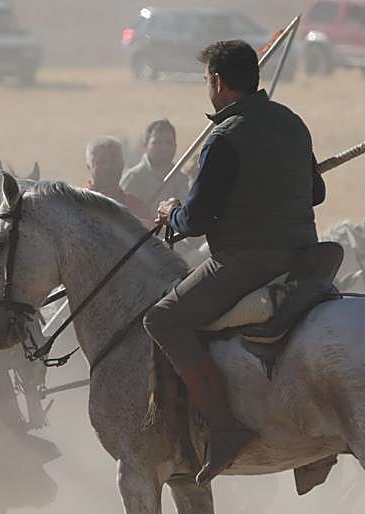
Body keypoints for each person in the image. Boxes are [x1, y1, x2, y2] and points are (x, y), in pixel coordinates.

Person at [143, 40, 326, 483]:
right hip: (305, 255)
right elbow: (317, 193)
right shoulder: (291, 122)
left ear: (218, 82)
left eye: (206, 79)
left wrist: (171, 212)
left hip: (248, 261)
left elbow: (196, 220)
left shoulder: (223, 138)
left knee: (162, 318)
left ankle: (224, 427)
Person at [121, 119, 190, 208]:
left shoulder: (182, 180)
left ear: (175, 146)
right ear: (145, 145)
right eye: (157, 142)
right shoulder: (133, 179)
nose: (163, 148)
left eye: (168, 143)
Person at [84, 136, 151, 223]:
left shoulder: (137, 208)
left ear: (122, 164)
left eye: (113, 161)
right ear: (88, 166)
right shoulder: (76, 205)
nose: (108, 167)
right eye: (101, 161)